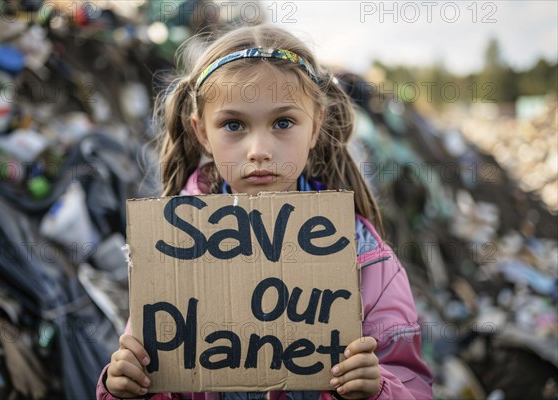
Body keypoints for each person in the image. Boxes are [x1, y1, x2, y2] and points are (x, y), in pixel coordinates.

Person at [97, 24, 433, 400]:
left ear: (316, 125)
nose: (259, 149)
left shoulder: (364, 256)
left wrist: (377, 389)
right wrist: (126, 388)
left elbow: (413, 384)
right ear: (202, 132)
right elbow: (151, 365)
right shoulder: (173, 250)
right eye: (234, 125)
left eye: (283, 123)